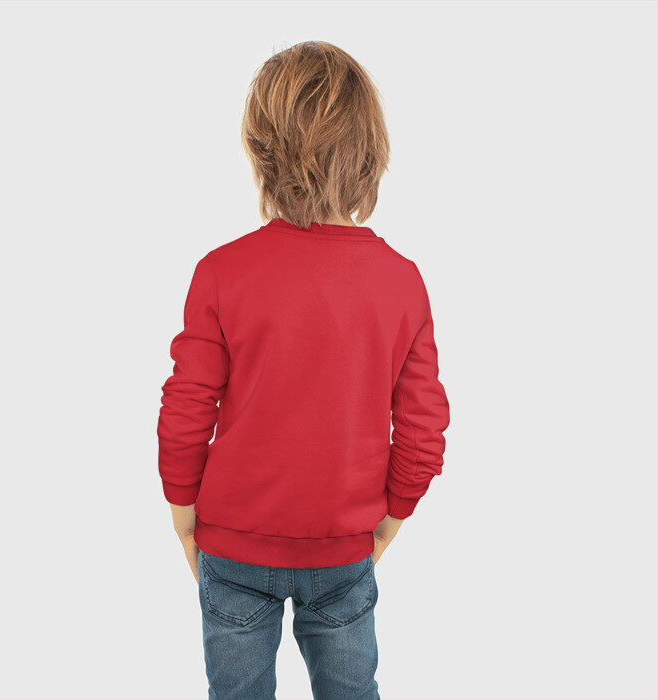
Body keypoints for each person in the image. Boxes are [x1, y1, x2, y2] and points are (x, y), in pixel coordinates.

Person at [157, 40, 450, 700]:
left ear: (260, 149)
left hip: (233, 544)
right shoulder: (402, 282)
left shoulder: (221, 272)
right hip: (344, 547)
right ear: (370, 154)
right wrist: (391, 519)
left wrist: (183, 512)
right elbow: (423, 427)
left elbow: (186, 408)